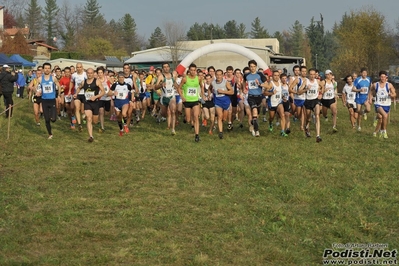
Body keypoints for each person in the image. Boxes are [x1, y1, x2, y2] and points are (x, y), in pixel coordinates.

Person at [74, 68, 105, 142]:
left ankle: (93, 125)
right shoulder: (84, 82)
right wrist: (76, 93)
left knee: (95, 121)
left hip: (96, 103)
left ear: (93, 73)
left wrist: (96, 97)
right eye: (88, 73)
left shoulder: (97, 81)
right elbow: (79, 88)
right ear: (86, 73)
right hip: (87, 103)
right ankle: (91, 136)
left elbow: (103, 91)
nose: (89, 74)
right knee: (89, 118)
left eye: (91, 73)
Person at [241, 60, 267, 137]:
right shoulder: (247, 75)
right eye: (251, 67)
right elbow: (243, 82)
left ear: (256, 67)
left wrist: (260, 85)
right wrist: (243, 89)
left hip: (259, 96)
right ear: (249, 67)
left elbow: (266, 83)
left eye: (254, 66)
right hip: (251, 96)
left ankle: (253, 124)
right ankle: (257, 131)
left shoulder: (260, 74)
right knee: (254, 111)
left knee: (256, 115)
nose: (252, 68)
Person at [178, 63, 203, 142]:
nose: (193, 72)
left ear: (196, 71)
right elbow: (179, 88)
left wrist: (201, 95)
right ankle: (185, 118)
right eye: (191, 70)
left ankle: (197, 135)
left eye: (194, 70)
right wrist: (182, 96)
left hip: (195, 100)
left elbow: (201, 86)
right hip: (187, 101)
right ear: (189, 70)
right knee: (188, 120)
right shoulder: (185, 79)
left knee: (196, 117)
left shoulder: (199, 78)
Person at [35, 63, 61, 139]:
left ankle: (53, 117)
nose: (47, 69)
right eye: (45, 68)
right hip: (44, 101)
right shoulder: (40, 79)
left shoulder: (53, 78)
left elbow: (59, 86)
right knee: (46, 119)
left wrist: (58, 95)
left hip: (52, 100)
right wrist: (36, 91)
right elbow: (35, 87)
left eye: (48, 68)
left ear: (50, 69)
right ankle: (50, 134)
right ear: (43, 69)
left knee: (53, 119)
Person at [370, 70, 396, 138]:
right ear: (379, 77)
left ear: (386, 77)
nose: (383, 78)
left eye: (384, 77)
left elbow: (394, 94)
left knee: (382, 119)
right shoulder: (375, 85)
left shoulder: (389, 85)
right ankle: (384, 131)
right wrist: (369, 98)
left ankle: (381, 130)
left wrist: (391, 95)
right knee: (384, 115)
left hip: (387, 104)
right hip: (378, 104)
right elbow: (370, 91)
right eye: (381, 77)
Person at [262, 70, 287, 137]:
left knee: (282, 115)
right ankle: (270, 123)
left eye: (278, 75)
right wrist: (272, 93)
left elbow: (280, 92)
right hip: (272, 103)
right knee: (271, 117)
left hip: (279, 102)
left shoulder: (280, 83)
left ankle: (282, 131)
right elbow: (264, 93)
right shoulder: (270, 84)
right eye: (275, 75)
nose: (276, 77)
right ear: (272, 76)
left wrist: (283, 97)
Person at [301, 68, 323, 142]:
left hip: (315, 100)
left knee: (317, 115)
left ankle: (318, 136)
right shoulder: (306, 81)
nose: (312, 76)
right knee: (308, 118)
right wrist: (306, 89)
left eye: (314, 74)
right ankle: (306, 127)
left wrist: (321, 94)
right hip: (308, 101)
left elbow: (323, 86)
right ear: (308, 74)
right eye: (311, 74)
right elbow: (299, 91)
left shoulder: (317, 81)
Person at [110, 72, 133, 136]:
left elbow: (132, 92)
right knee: (118, 117)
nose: (121, 79)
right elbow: (109, 93)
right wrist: (113, 93)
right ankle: (121, 130)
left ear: (124, 78)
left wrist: (131, 100)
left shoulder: (127, 85)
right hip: (117, 102)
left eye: (122, 77)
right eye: (120, 77)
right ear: (118, 78)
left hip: (125, 101)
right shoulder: (115, 85)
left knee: (124, 113)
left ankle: (125, 125)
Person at [213, 69, 234, 139]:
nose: (218, 76)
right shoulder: (213, 83)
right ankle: (220, 132)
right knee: (220, 115)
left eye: (220, 75)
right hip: (217, 102)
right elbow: (210, 88)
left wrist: (223, 91)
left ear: (222, 75)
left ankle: (221, 124)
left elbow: (232, 92)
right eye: (217, 75)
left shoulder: (226, 82)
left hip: (226, 101)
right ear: (215, 75)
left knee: (224, 118)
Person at [70, 63, 87, 131]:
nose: (79, 68)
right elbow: (71, 82)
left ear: (82, 67)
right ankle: (79, 124)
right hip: (77, 94)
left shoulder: (85, 74)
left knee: (82, 111)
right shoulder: (73, 75)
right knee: (77, 107)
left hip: (85, 94)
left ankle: (83, 118)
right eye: (77, 67)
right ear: (76, 68)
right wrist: (69, 90)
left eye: (80, 67)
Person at [97, 66, 111, 133]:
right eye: (98, 73)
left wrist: (111, 92)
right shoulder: (96, 80)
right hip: (100, 98)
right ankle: (102, 127)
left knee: (107, 112)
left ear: (103, 73)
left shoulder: (107, 78)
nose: (100, 74)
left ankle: (100, 118)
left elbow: (113, 85)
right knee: (101, 111)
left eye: (101, 72)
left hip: (107, 97)